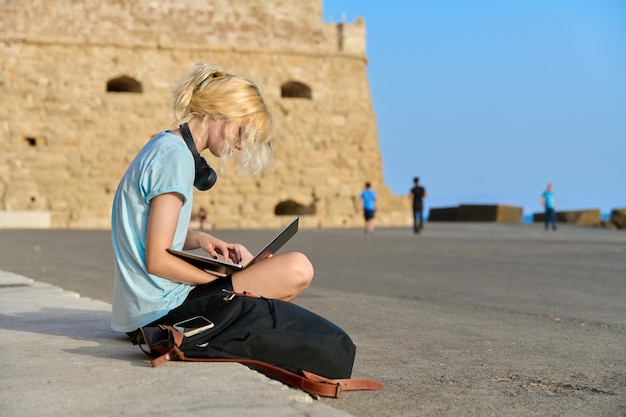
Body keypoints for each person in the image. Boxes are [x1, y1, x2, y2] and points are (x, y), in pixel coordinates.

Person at [110, 63, 313, 335]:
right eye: (241, 132)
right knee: (297, 269)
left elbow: (149, 231)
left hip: (141, 311)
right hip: (160, 312)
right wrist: (222, 279)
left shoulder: (163, 145)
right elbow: (157, 260)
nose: (240, 145)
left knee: (274, 281)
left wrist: (204, 240)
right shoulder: (176, 158)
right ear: (221, 114)